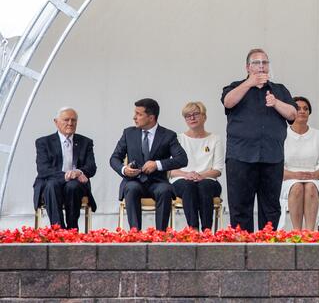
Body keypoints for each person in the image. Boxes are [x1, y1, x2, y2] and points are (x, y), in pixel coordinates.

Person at [221, 48, 297, 232]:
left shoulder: (279, 90)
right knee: (240, 208)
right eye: (257, 63)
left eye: (265, 63)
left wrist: (276, 103)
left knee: (271, 209)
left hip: (272, 157)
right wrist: (249, 83)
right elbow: (228, 102)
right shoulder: (235, 87)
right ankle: (242, 251)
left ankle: (267, 251)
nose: (262, 66)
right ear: (248, 67)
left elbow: (293, 114)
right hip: (240, 157)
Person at [109, 98, 188, 230]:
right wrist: (124, 169)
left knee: (165, 190)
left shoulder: (168, 135)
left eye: (139, 114)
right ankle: (135, 234)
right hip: (134, 181)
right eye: (135, 113)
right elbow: (114, 158)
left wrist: (157, 164)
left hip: (158, 182)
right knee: (131, 188)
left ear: (151, 117)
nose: (134, 117)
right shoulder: (128, 133)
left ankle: (160, 235)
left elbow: (182, 159)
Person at [33, 107, 97, 229]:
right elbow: (43, 169)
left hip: (76, 184)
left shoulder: (85, 142)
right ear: (56, 122)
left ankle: (72, 229)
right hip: (51, 182)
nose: (70, 123)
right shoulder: (43, 142)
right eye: (66, 120)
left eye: (74, 120)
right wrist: (67, 175)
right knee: (52, 185)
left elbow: (91, 167)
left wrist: (78, 172)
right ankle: (58, 229)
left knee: (72, 186)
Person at [280, 96, 319, 230]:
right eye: (298, 108)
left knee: (311, 187)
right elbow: (276, 168)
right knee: (297, 187)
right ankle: (297, 232)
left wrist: (316, 174)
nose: (302, 111)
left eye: (306, 109)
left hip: (314, 178)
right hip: (288, 179)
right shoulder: (281, 135)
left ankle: (310, 233)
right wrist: (295, 175)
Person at [170, 101, 224, 231]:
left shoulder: (215, 139)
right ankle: (193, 229)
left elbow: (217, 170)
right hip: (182, 180)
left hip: (208, 180)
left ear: (204, 117)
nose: (192, 118)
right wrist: (186, 175)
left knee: (204, 185)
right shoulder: (177, 139)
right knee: (189, 186)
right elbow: (170, 170)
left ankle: (206, 230)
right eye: (188, 115)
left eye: (195, 114)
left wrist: (201, 176)